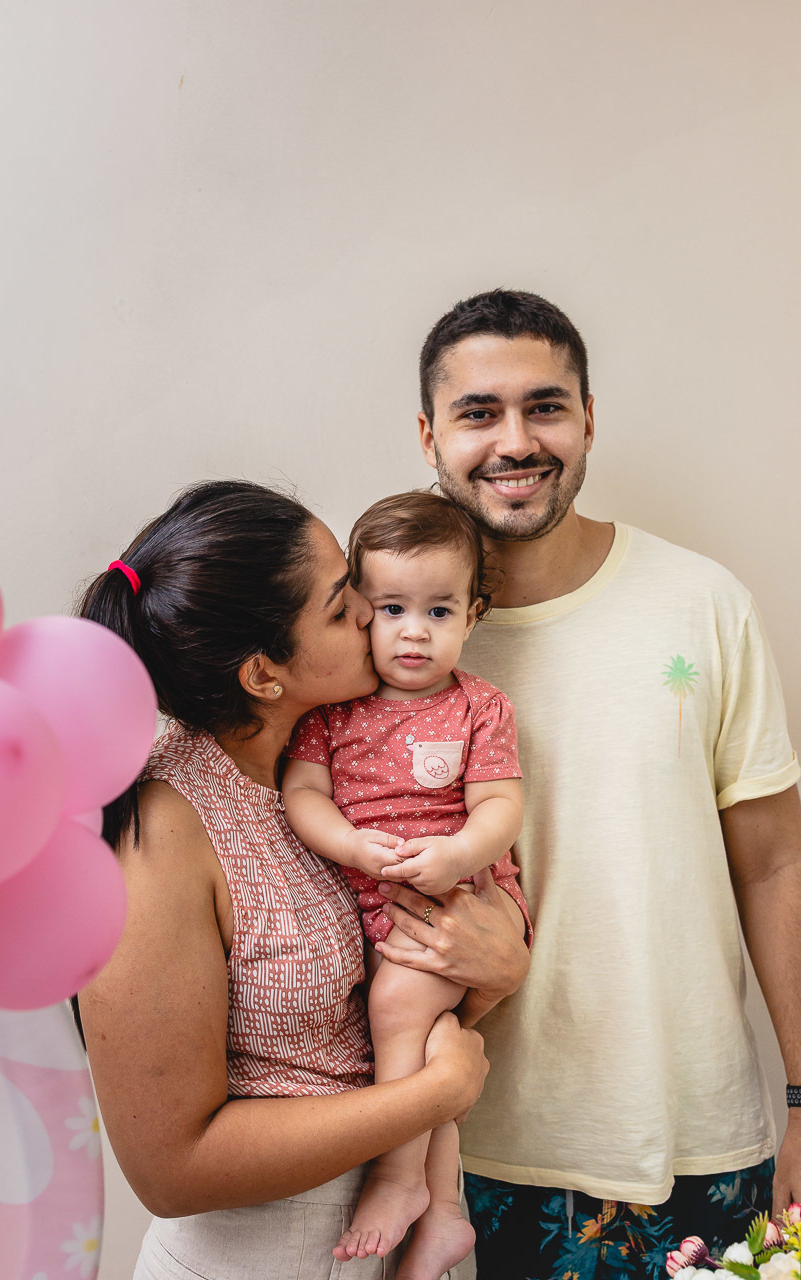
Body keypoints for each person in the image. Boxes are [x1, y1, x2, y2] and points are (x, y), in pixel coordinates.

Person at [393, 289, 801, 1278]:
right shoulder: (393, 635)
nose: (515, 440)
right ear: (428, 434)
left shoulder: (699, 603)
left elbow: (775, 864)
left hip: (696, 1141)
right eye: (478, 411)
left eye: (546, 406)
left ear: (587, 419)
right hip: (462, 1151)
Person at [76, 478, 530, 1280]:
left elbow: (386, 987)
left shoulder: (342, 768)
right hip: (259, 1256)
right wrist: (434, 1095)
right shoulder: (162, 832)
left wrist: (497, 970)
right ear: (262, 675)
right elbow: (170, 1169)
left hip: (395, 1235)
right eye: (340, 605)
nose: (370, 611)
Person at [283, 490, 531, 1280]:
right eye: (391, 608)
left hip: (465, 901)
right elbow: (302, 796)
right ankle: (446, 1212)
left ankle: (396, 1181)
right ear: (361, 609)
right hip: (383, 903)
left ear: (472, 614)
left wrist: (461, 853)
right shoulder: (333, 710)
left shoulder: (477, 708)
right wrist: (351, 844)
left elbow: (501, 804)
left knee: (397, 1008)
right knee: (425, 1046)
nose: (414, 632)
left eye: (438, 611)